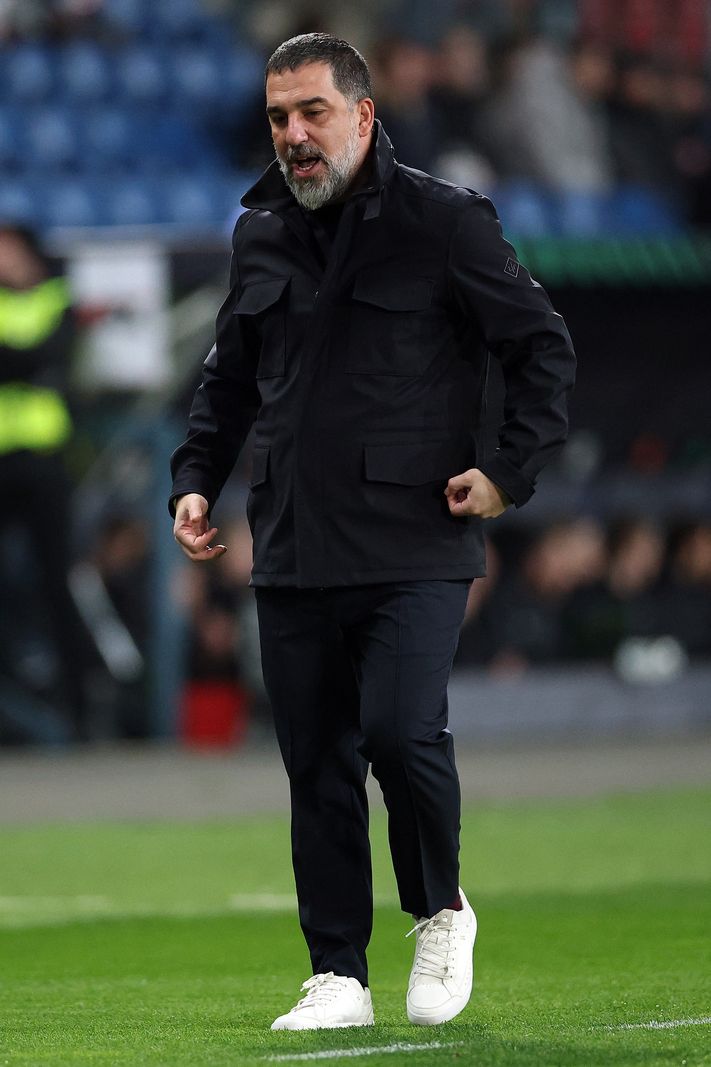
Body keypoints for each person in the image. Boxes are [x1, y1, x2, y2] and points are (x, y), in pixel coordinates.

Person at [170, 33, 575, 1030]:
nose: (293, 134)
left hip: (414, 535)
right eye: (278, 117)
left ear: (362, 113)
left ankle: (440, 908)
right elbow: (228, 378)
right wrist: (195, 480)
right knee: (316, 760)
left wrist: (508, 472)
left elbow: (541, 348)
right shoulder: (259, 231)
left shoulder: (446, 221)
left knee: (398, 729)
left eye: (312, 111)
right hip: (294, 537)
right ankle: (337, 973)